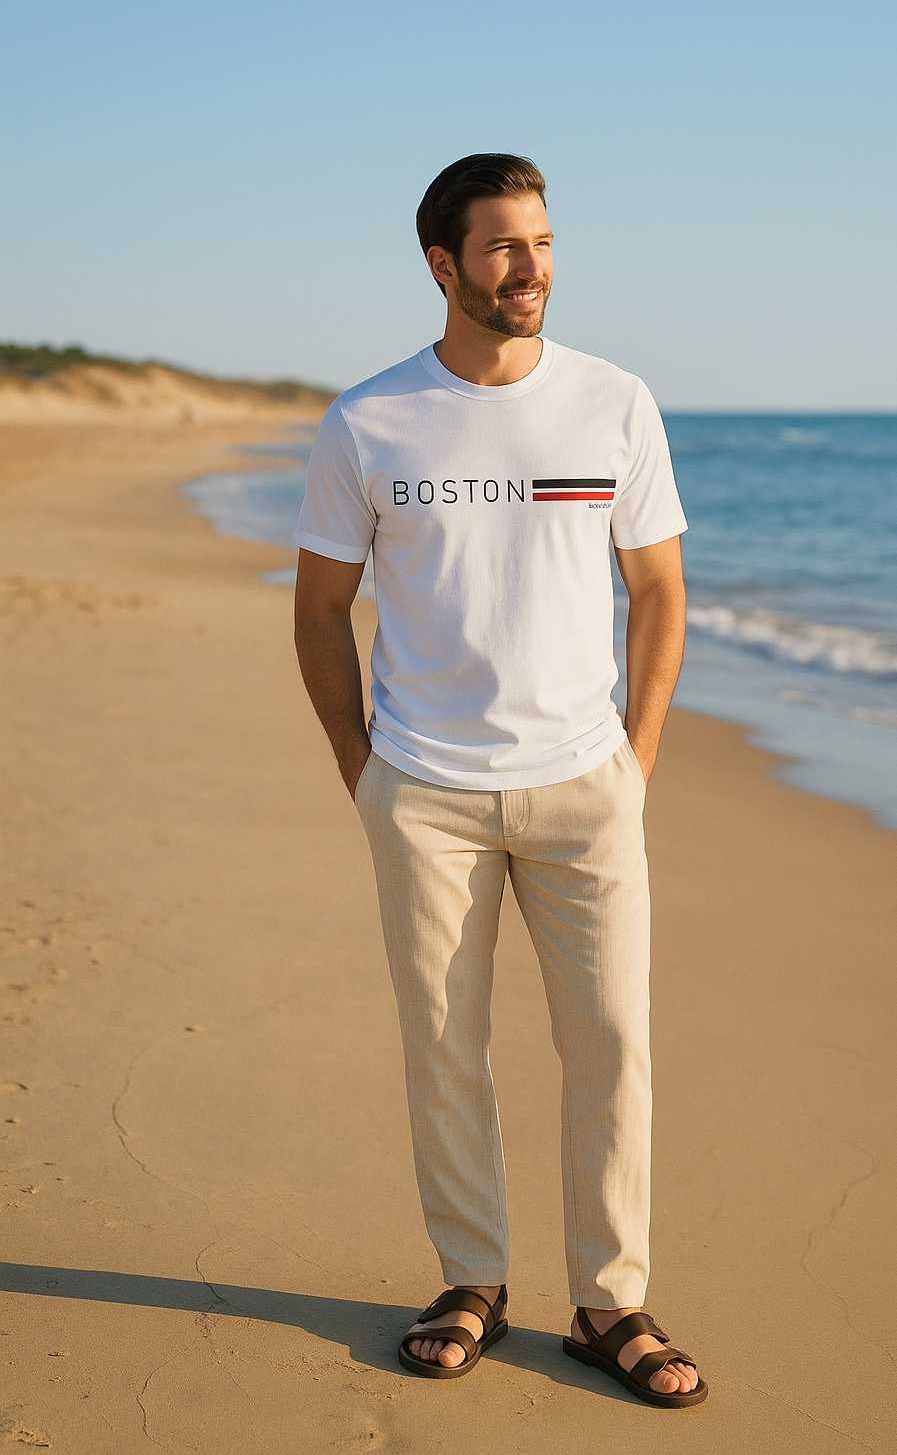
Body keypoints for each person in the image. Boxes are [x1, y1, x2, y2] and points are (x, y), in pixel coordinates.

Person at [293, 153, 707, 1408]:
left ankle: (610, 1303)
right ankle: (471, 1279)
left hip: (586, 784)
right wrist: (366, 770)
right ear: (444, 264)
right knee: (444, 1047)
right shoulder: (369, 421)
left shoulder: (614, 402)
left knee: (614, 1043)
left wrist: (635, 759)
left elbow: (659, 589)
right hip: (424, 789)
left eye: (543, 241)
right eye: (504, 246)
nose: (532, 267)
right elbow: (319, 610)